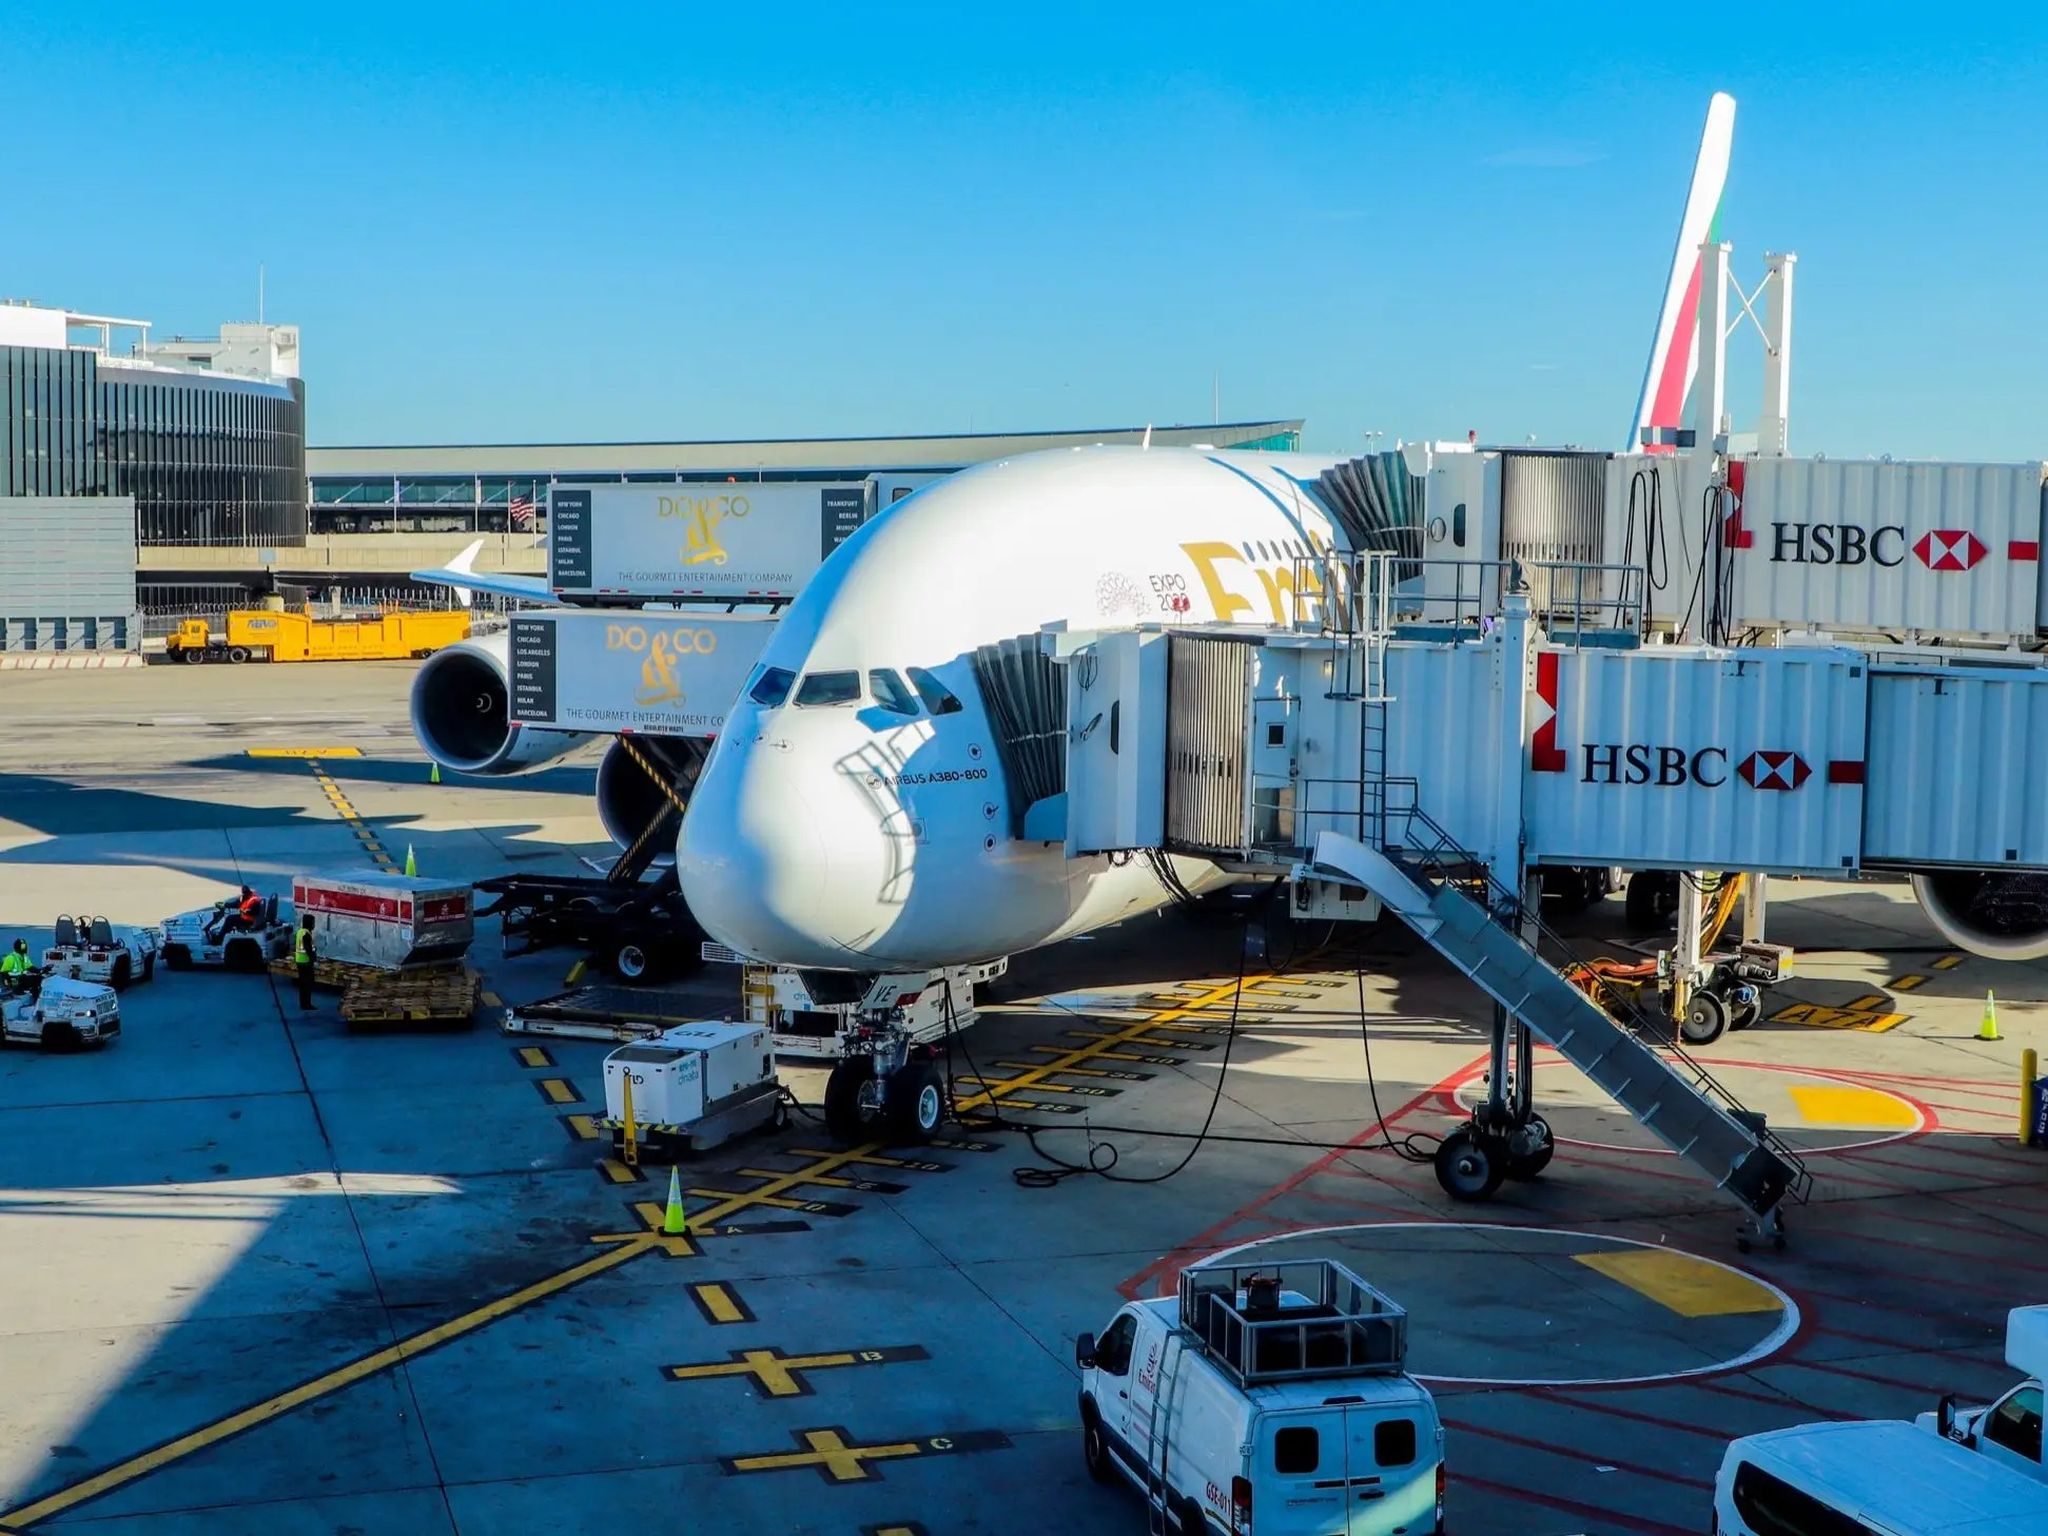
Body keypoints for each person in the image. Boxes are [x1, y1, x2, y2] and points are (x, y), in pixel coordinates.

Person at [294, 916, 317, 1012]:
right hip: (306, 962)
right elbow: (308, 949)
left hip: (300, 960)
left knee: (303, 984)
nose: (314, 925)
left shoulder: (300, 932)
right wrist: (313, 959)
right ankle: (306, 1004)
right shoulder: (306, 934)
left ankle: (303, 1003)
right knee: (307, 984)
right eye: (313, 922)